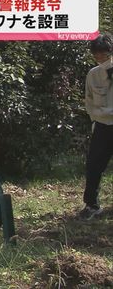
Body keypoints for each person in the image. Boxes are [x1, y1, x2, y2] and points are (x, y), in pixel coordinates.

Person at [79, 32, 113, 220]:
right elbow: (89, 100)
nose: (100, 58)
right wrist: (96, 119)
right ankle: (91, 205)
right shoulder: (93, 74)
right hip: (102, 125)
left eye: (104, 54)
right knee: (94, 165)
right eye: (97, 54)